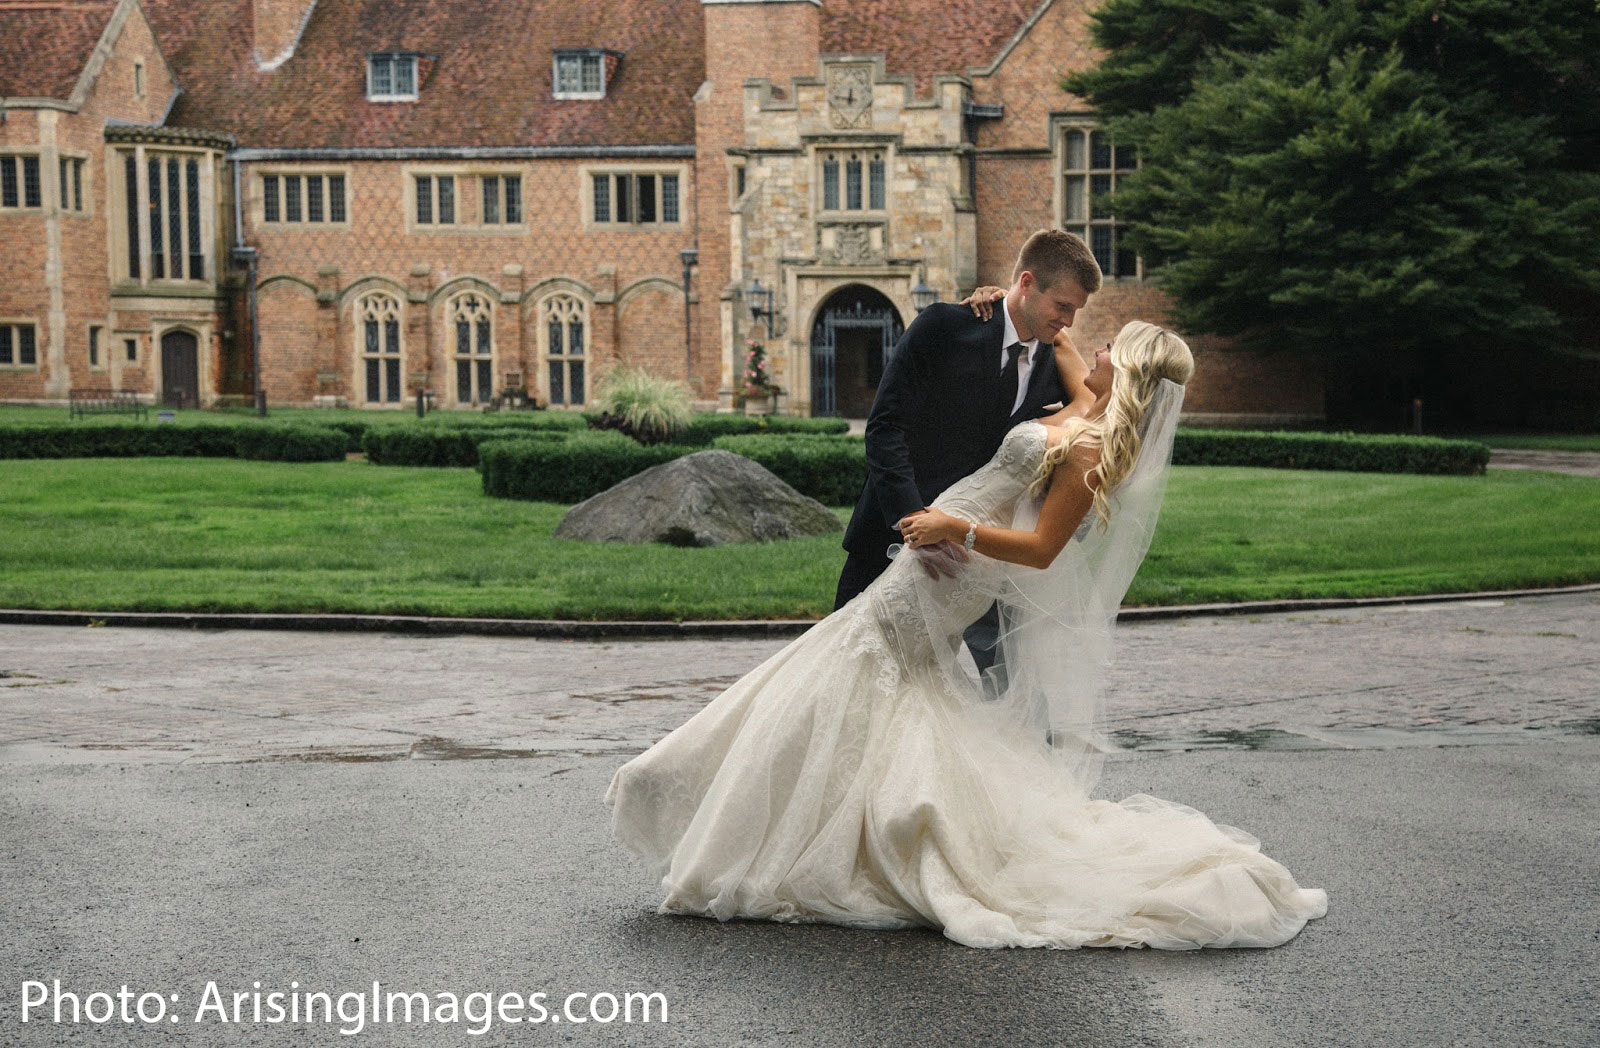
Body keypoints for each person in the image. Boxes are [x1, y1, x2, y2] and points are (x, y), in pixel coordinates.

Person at [606, 320, 1329, 950]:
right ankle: (788, 826)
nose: (1094, 344)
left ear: (1132, 369)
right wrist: (1013, 305)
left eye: (1112, 344)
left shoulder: (1091, 449)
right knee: (865, 678)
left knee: (846, 668)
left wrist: (955, 526)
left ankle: (701, 801)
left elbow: (1043, 547)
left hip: (954, 562)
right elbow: (1061, 339)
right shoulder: (1085, 404)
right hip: (935, 556)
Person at [835, 229, 1102, 674]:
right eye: (1063, 307)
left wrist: (959, 533)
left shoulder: (1053, 363)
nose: (1069, 322)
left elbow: (1092, 410)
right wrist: (911, 520)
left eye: (1075, 311)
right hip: (889, 536)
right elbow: (884, 428)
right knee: (845, 673)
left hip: (976, 559)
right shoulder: (945, 326)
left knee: (1006, 685)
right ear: (1027, 282)